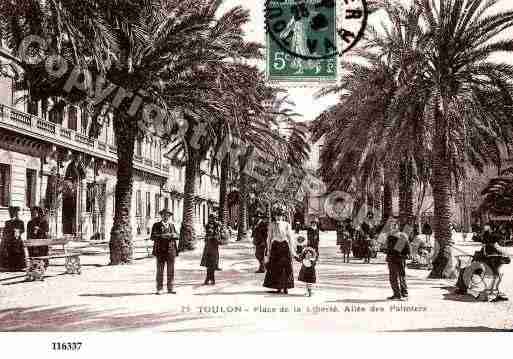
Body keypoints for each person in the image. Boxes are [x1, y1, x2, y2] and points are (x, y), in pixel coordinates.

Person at [263, 207, 296, 294]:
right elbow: (269, 238)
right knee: (275, 267)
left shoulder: (287, 224)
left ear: (282, 216)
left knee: (286, 267)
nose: (278, 217)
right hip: (275, 246)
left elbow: (290, 237)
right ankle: (277, 287)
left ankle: (286, 287)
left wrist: (292, 249)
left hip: (285, 246)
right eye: (277, 215)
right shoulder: (271, 224)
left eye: (280, 216)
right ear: (275, 216)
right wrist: (268, 250)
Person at [150, 209, 179, 294]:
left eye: (168, 215)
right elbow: (153, 236)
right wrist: (163, 236)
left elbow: (176, 235)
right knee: (160, 271)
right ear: (161, 216)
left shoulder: (172, 225)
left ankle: (170, 288)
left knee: (171, 271)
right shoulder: (156, 225)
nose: (166, 217)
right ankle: (159, 288)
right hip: (160, 251)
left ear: (169, 217)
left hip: (171, 251)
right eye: (164, 215)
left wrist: (174, 235)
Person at [384, 219, 411, 300]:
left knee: (395, 276)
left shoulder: (392, 236)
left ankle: (399, 294)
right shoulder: (401, 235)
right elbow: (407, 248)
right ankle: (402, 293)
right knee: (399, 276)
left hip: (394, 258)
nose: (392, 227)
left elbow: (405, 247)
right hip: (398, 258)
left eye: (393, 225)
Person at [0, 206, 26, 271]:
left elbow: (23, 230)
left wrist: (18, 231)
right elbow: (5, 231)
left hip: (17, 240)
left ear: (15, 213)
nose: (11, 214)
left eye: (12, 213)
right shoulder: (7, 222)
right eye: (10, 213)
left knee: (17, 250)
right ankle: (9, 266)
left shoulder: (20, 221)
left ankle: (19, 266)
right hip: (9, 240)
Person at [201, 213, 222, 285]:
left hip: (214, 245)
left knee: (212, 263)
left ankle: (210, 279)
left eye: (214, 218)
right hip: (209, 245)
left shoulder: (217, 226)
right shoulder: (208, 225)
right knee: (208, 263)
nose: (213, 219)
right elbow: (210, 233)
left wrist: (217, 226)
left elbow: (218, 235)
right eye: (211, 218)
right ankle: (209, 278)